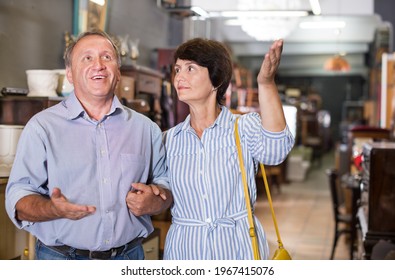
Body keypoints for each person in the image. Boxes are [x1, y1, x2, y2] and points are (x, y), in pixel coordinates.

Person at [5, 30, 172, 260]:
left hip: (129, 257)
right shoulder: (42, 127)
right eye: (87, 58)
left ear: (118, 72)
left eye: (107, 57)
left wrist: (156, 200)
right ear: (70, 74)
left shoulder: (146, 129)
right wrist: (52, 209)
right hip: (61, 260)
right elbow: (18, 196)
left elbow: (165, 184)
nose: (99, 65)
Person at [162, 38, 295, 260]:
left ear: (216, 80)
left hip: (237, 249)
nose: (179, 77)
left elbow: (276, 150)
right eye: (177, 69)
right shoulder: (169, 140)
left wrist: (266, 83)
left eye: (190, 68)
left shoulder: (242, 127)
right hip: (185, 250)